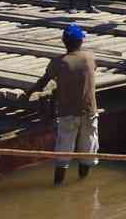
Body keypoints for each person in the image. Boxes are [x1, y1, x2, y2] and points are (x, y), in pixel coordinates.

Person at [32, 24, 98, 186]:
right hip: (89, 111)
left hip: (67, 113)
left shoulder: (58, 62)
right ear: (81, 41)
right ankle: (83, 182)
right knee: (87, 149)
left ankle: (58, 184)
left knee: (63, 151)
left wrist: (30, 92)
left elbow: (44, 81)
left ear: (63, 41)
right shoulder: (89, 58)